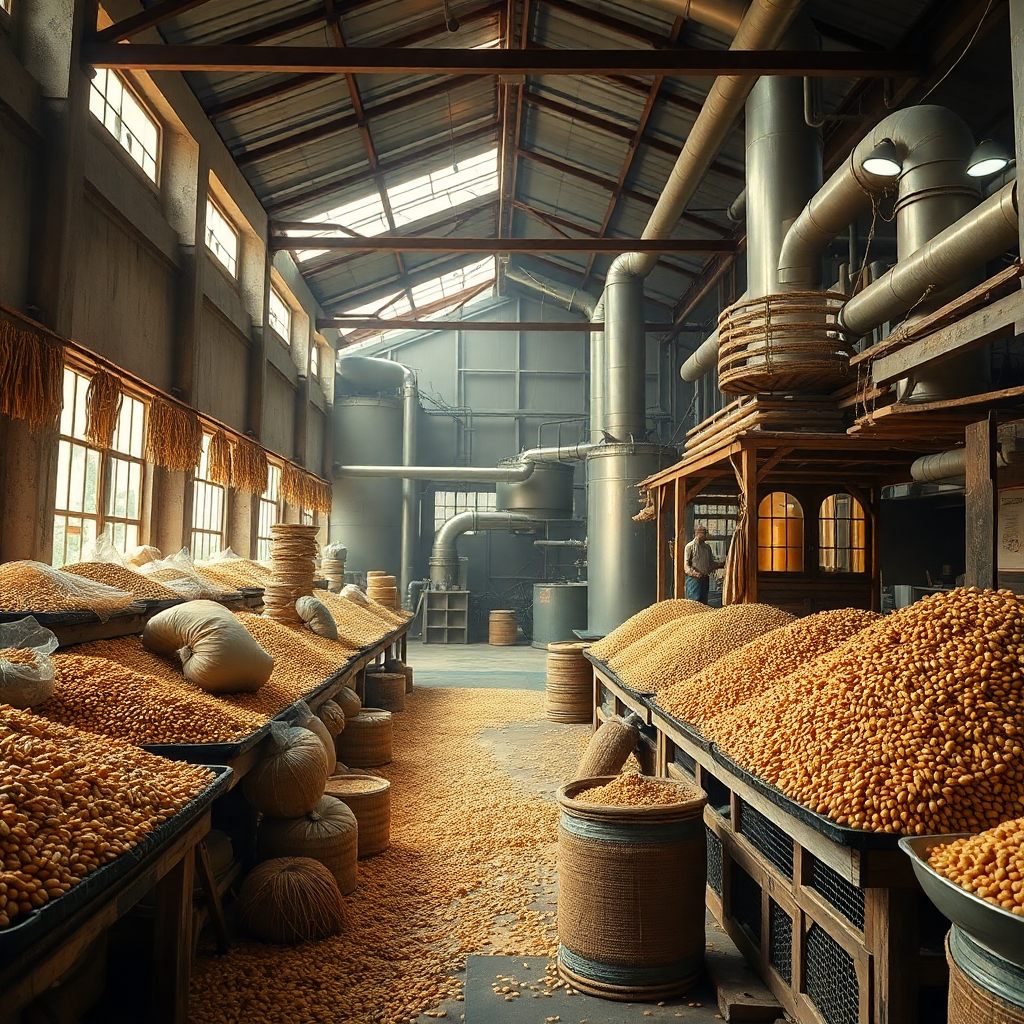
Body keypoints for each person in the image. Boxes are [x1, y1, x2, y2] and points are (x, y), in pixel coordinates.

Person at [683, 526, 723, 604]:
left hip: (704, 579)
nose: (706, 535)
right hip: (694, 581)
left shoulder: (707, 547)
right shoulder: (690, 546)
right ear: (697, 533)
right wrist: (694, 573)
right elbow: (686, 566)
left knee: (703, 603)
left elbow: (710, 564)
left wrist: (721, 564)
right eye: (704, 533)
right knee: (693, 603)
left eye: (706, 533)